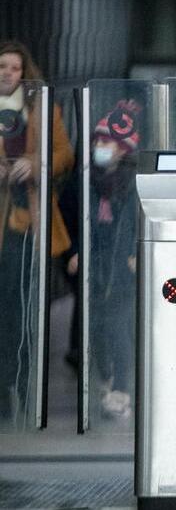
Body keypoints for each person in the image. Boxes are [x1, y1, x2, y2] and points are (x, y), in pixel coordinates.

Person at [0, 41, 74, 423]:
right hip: (5, 218)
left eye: (14, 68)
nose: (7, 73)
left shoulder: (43, 110)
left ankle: (27, 386)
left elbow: (64, 155)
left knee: (28, 307)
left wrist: (34, 162)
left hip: (33, 219)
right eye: (2, 67)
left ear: (24, 72)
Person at [87, 101, 143, 419]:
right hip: (94, 263)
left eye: (107, 141)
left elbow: (138, 222)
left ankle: (121, 385)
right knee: (96, 325)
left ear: (123, 149)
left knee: (119, 324)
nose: (100, 146)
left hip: (123, 264)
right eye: (98, 140)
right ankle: (106, 376)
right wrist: (74, 253)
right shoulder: (85, 180)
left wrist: (136, 254)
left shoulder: (132, 184)